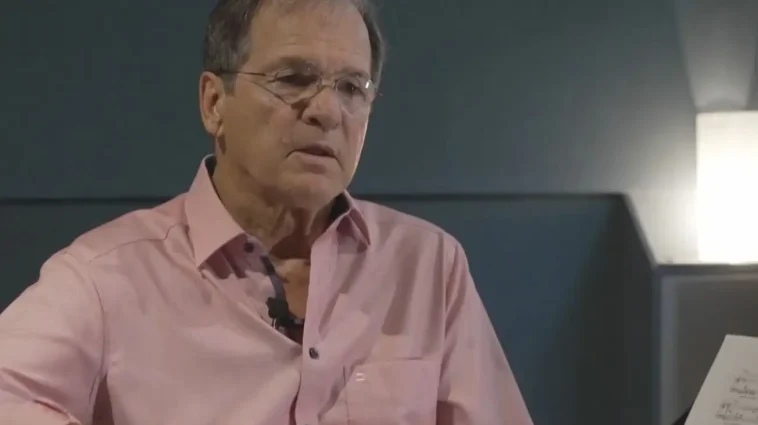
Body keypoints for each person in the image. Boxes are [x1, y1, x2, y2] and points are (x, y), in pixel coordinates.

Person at [0, 0, 533, 424]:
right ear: (214, 103)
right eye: (293, 79)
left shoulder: (428, 267)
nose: (327, 111)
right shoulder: (106, 278)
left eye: (352, 87)